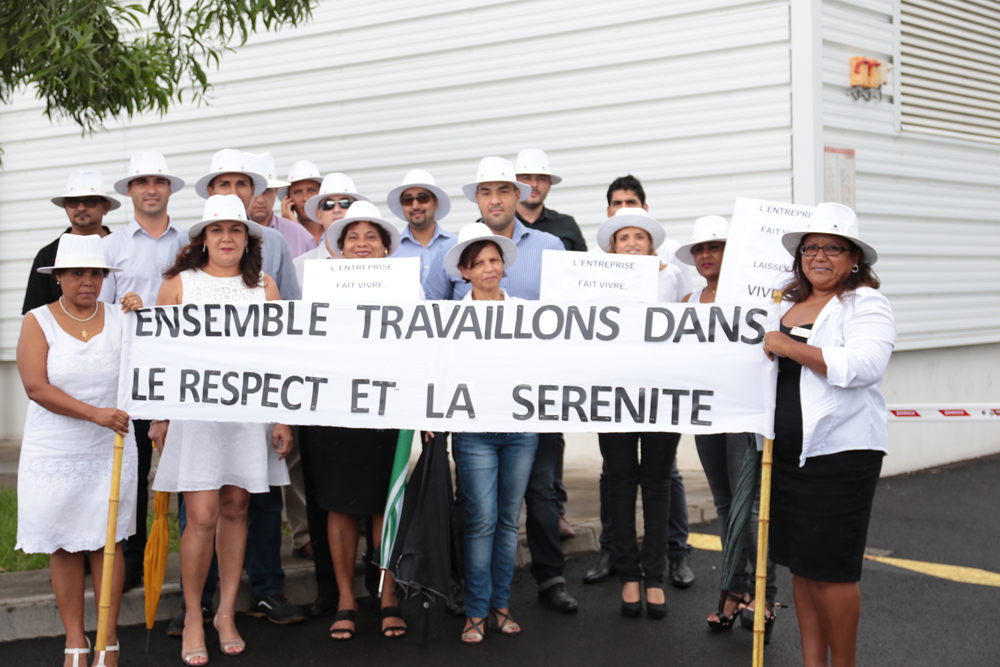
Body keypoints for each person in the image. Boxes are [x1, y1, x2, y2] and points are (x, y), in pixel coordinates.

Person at [150, 195, 294, 665]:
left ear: (248, 239)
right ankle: (194, 613)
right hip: (196, 416)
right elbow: (159, 357)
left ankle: (226, 612)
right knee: (203, 513)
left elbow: (279, 356)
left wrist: (282, 415)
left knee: (237, 508)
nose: (226, 237)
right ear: (203, 239)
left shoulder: (264, 286)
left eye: (235, 229)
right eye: (217, 230)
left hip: (248, 413)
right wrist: (160, 416)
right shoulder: (178, 284)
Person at [442, 157, 579, 614]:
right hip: (474, 418)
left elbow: (568, 322)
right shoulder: (452, 287)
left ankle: (537, 586)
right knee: (479, 513)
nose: (495, 199)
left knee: (531, 501)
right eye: (485, 192)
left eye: (503, 190)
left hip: (529, 409)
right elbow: (426, 333)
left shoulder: (550, 247)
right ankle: (475, 602)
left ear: (518, 196)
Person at [762, 202, 895, 666]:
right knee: (802, 566)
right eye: (810, 247)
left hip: (839, 455)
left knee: (833, 572)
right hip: (785, 455)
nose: (819, 256)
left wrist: (789, 345)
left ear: (854, 257)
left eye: (832, 248)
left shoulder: (865, 303)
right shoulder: (786, 304)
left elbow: (864, 367)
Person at [16, 233, 143, 667]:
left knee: (107, 542)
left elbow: (149, 367)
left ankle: (107, 639)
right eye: (76, 273)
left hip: (111, 444)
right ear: (60, 277)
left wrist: (147, 319)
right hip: (56, 446)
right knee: (64, 542)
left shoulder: (124, 316)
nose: (87, 281)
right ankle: (75, 639)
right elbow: (36, 386)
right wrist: (94, 414)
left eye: (95, 273)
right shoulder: (38, 319)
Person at [297, 200, 409, 641]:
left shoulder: (407, 288)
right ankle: (346, 598)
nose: (362, 244)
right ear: (339, 249)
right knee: (340, 504)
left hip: (388, 406)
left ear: (385, 248)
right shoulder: (318, 289)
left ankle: (387, 596)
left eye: (371, 236)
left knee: (385, 503)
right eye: (352, 237)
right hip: (334, 408)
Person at [586, 174, 696, 589]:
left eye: (639, 236)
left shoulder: (671, 277)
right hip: (614, 393)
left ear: (651, 242)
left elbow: (691, 321)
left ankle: (666, 563)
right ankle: (622, 561)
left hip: (660, 393)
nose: (631, 243)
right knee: (617, 481)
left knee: (660, 479)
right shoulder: (593, 279)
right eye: (623, 237)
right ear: (612, 244)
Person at [677, 216, 777, 632]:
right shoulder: (685, 303)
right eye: (699, 249)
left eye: (713, 247)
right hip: (707, 414)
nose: (705, 255)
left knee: (749, 507)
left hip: (743, 413)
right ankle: (734, 590)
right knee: (723, 503)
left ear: (729, 252)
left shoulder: (753, 299)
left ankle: (764, 595)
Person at [441, 223, 539, 643]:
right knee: (480, 519)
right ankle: (476, 610)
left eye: (494, 260)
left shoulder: (528, 313)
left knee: (507, 520)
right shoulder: (450, 318)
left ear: (504, 265)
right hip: (474, 431)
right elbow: (441, 374)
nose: (487, 268)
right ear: (463, 271)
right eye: (477, 263)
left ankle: (501, 604)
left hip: (520, 430)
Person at [100, 151, 187, 593]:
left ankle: (195, 557)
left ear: (169, 188)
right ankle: (132, 559)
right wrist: (123, 308)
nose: (150, 188)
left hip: (181, 370)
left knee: (188, 464)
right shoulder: (111, 246)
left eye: (158, 181)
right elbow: (100, 311)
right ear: (130, 191)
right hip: (132, 372)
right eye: (141, 182)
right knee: (131, 467)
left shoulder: (191, 242)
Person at [514, 148, 586, 537]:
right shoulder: (481, 229)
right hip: (502, 355)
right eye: (527, 179)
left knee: (549, 437)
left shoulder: (566, 228)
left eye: (541, 179)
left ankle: (554, 511)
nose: (534, 185)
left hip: (547, 351)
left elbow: (584, 284)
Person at [23, 170, 120, 314]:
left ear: (105, 207)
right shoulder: (48, 255)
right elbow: (35, 313)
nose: (81, 207)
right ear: (65, 206)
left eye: (90, 201)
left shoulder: (122, 248)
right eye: (74, 201)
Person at [292, 173, 371, 288]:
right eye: (328, 204)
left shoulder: (378, 260)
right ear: (319, 215)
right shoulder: (299, 266)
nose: (337, 209)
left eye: (345, 203)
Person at [386, 168, 456, 292]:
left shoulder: (455, 245)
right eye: (408, 200)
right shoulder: (390, 251)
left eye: (422, 198)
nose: (415, 206)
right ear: (402, 206)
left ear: (435, 202)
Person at [247, 152, 318, 258]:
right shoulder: (228, 233)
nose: (260, 200)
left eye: (267, 191)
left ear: (276, 191)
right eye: (255, 191)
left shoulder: (301, 235)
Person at [277, 160, 324, 242]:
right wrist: (292, 227)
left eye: (311, 190)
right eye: (298, 192)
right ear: (288, 199)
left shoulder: (338, 229)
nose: (305, 198)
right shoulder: (279, 236)